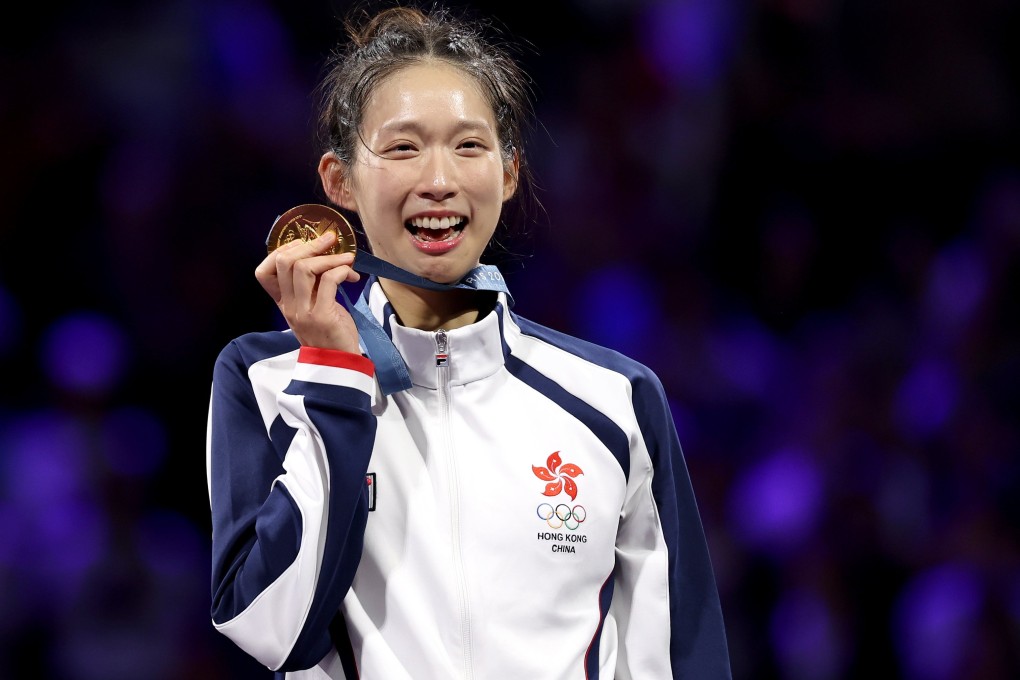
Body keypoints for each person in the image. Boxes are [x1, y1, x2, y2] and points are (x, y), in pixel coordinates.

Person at [205, 4, 732, 678]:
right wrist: (335, 373)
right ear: (339, 181)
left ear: (509, 173)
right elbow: (270, 625)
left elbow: (677, 656)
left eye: (469, 145)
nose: (439, 180)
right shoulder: (266, 380)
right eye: (402, 147)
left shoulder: (615, 400)